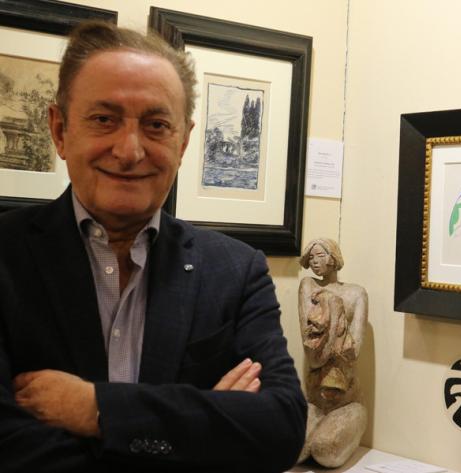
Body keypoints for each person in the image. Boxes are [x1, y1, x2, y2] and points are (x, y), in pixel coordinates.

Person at [0, 21, 306, 472]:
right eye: (104, 119)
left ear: (183, 142)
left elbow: (280, 428)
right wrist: (199, 431)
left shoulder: (237, 270)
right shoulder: (6, 256)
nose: (129, 151)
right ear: (60, 130)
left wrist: (97, 408)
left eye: (156, 125)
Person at [297, 238, 367, 467]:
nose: (314, 262)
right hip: (314, 399)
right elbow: (314, 358)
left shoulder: (357, 293)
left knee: (324, 450)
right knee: (292, 449)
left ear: (333, 257)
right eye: (311, 258)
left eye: (320, 255)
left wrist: (333, 312)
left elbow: (353, 353)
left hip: (347, 401)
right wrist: (335, 315)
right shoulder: (309, 287)